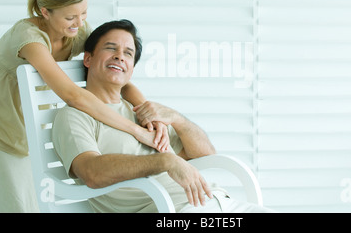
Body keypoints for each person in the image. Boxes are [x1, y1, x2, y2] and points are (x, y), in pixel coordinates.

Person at [0, 0, 168, 213]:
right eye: (70, 17)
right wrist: (135, 130)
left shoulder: (75, 33)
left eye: (84, 13)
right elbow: (72, 95)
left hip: (26, 140)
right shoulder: (28, 38)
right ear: (45, 12)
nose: (79, 23)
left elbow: (116, 74)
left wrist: (150, 116)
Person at [52, 20, 273, 213]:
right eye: (111, 48)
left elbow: (206, 155)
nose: (120, 56)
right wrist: (164, 161)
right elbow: (91, 172)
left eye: (128, 53)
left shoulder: (142, 112)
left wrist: (177, 119)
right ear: (88, 59)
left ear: (131, 69)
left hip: (221, 203)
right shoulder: (75, 116)